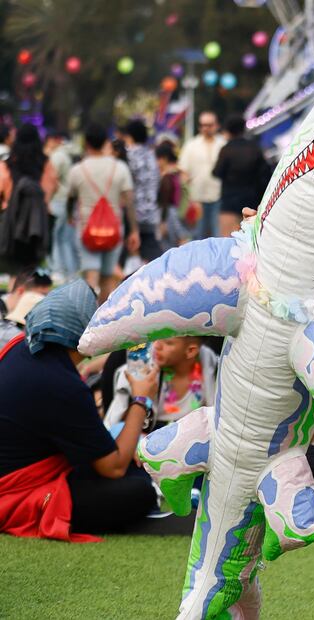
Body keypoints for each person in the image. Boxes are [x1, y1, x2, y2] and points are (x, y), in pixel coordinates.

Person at [0, 281, 155, 539]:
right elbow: (113, 467)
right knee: (139, 490)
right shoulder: (62, 383)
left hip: (23, 470)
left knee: (133, 471)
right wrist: (141, 400)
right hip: (16, 492)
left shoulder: (19, 348)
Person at [67, 123, 138, 303]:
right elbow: (129, 201)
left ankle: (88, 315)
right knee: (108, 277)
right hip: (114, 230)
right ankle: (105, 316)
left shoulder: (77, 170)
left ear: (86, 143)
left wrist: (69, 216)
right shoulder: (120, 168)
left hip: (87, 229)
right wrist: (134, 230)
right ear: (106, 141)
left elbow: (70, 198)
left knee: (91, 276)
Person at [103, 336, 218, 429]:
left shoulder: (212, 370)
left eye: (168, 342)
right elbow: (117, 426)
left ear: (191, 351)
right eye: (156, 337)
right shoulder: (139, 371)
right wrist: (141, 399)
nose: (156, 345)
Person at [0, 124, 58, 272]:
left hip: (11, 221)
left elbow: (1, 187)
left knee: (14, 269)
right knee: (32, 269)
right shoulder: (46, 164)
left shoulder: (7, 164)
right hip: (39, 221)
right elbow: (52, 187)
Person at [212, 115, 270, 237]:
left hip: (229, 201)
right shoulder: (255, 149)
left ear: (228, 131)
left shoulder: (226, 150)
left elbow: (217, 172)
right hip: (251, 201)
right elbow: (265, 175)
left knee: (228, 239)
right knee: (249, 239)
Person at [179, 111, 225, 239]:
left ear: (216, 125)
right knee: (198, 237)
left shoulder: (223, 144)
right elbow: (183, 171)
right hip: (197, 199)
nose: (206, 128)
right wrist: (188, 197)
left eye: (209, 125)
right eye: (203, 125)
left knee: (218, 237)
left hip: (219, 197)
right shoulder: (191, 145)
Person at [122, 119, 163, 263]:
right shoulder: (152, 156)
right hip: (150, 213)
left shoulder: (129, 155)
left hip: (131, 214)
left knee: (122, 257)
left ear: (129, 136)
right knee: (152, 259)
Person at [46, 130, 78, 282]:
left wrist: (47, 199)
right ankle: (71, 272)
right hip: (67, 201)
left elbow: (52, 179)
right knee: (65, 240)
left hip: (57, 200)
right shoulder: (67, 154)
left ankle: (57, 270)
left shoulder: (57, 156)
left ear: (53, 140)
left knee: (54, 238)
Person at [156, 142, 194, 247]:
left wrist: (162, 221)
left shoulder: (167, 176)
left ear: (164, 159)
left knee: (169, 247)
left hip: (171, 216)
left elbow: (166, 201)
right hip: (182, 213)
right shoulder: (180, 173)